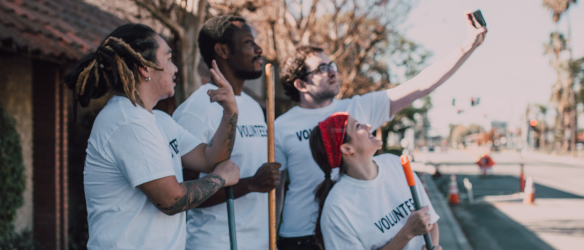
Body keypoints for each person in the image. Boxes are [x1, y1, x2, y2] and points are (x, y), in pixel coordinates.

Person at [275, 12, 486, 249]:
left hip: (365, 231)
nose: (333, 71)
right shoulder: (281, 126)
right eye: (321, 68)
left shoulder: (356, 109)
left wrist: (468, 46)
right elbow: (275, 190)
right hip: (299, 234)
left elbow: (420, 85)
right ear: (301, 84)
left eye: (331, 64)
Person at [64, 23, 240, 249]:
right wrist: (220, 179)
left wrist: (230, 112)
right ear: (144, 69)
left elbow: (210, 158)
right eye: (168, 59)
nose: (175, 68)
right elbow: (171, 199)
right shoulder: (126, 120)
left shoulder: (159, 120)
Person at [172, 15, 280, 250]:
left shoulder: (252, 105)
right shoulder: (197, 108)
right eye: (248, 42)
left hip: (260, 243)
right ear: (222, 50)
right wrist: (250, 184)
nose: (259, 49)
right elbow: (179, 195)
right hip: (216, 243)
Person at [310, 112, 442, 250]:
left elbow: (429, 220)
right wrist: (407, 233)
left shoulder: (395, 164)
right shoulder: (337, 208)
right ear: (347, 148)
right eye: (357, 126)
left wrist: (433, 246)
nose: (368, 126)